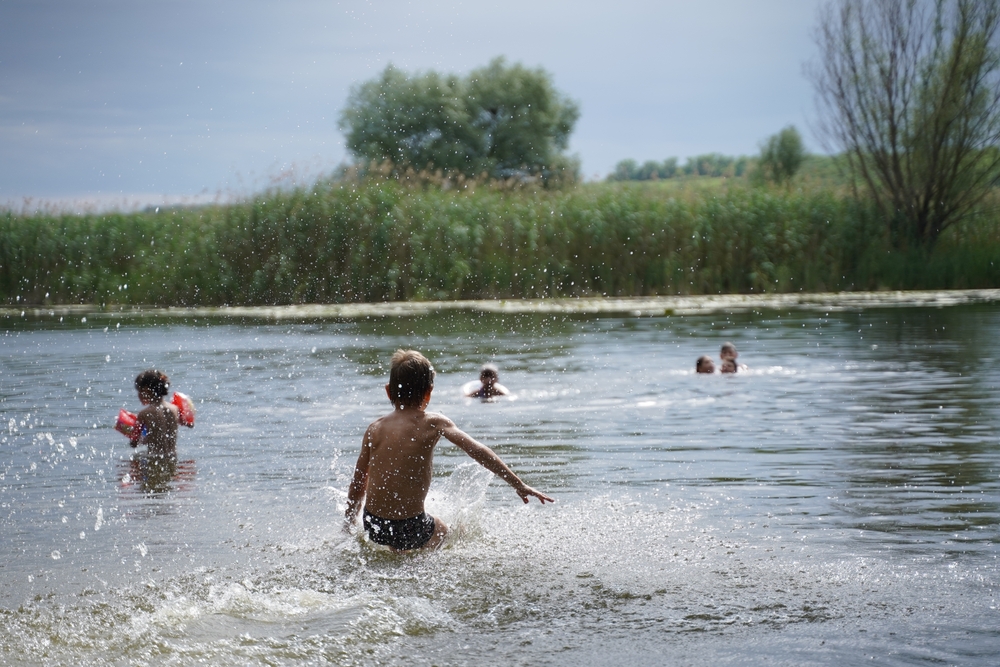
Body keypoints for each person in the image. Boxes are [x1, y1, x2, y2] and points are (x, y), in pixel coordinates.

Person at [345, 350, 553, 551]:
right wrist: (519, 484)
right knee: (452, 533)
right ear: (429, 392)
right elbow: (477, 450)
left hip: (374, 524)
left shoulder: (375, 428)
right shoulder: (433, 422)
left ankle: (399, 553)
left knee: (398, 539)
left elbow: (358, 480)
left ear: (388, 391)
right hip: (411, 526)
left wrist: (348, 523)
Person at [132, 369, 179, 459]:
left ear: (146, 390)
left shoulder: (144, 414)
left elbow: (134, 443)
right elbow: (189, 424)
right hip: (173, 457)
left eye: (139, 391)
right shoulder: (175, 409)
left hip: (154, 458)